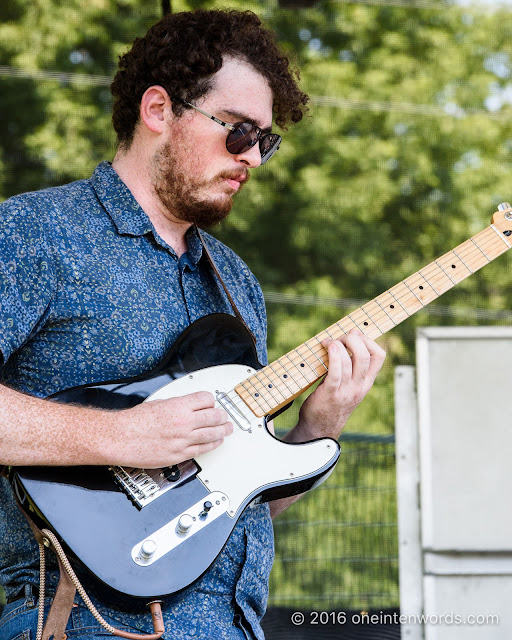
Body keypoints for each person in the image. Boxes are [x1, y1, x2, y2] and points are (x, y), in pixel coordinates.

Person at [0, 9, 386, 640]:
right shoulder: (32, 235)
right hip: (87, 625)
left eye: (266, 141)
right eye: (238, 132)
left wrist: (320, 423)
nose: (254, 159)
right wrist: (118, 437)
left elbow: (234, 506)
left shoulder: (236, 283)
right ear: (159, 110)